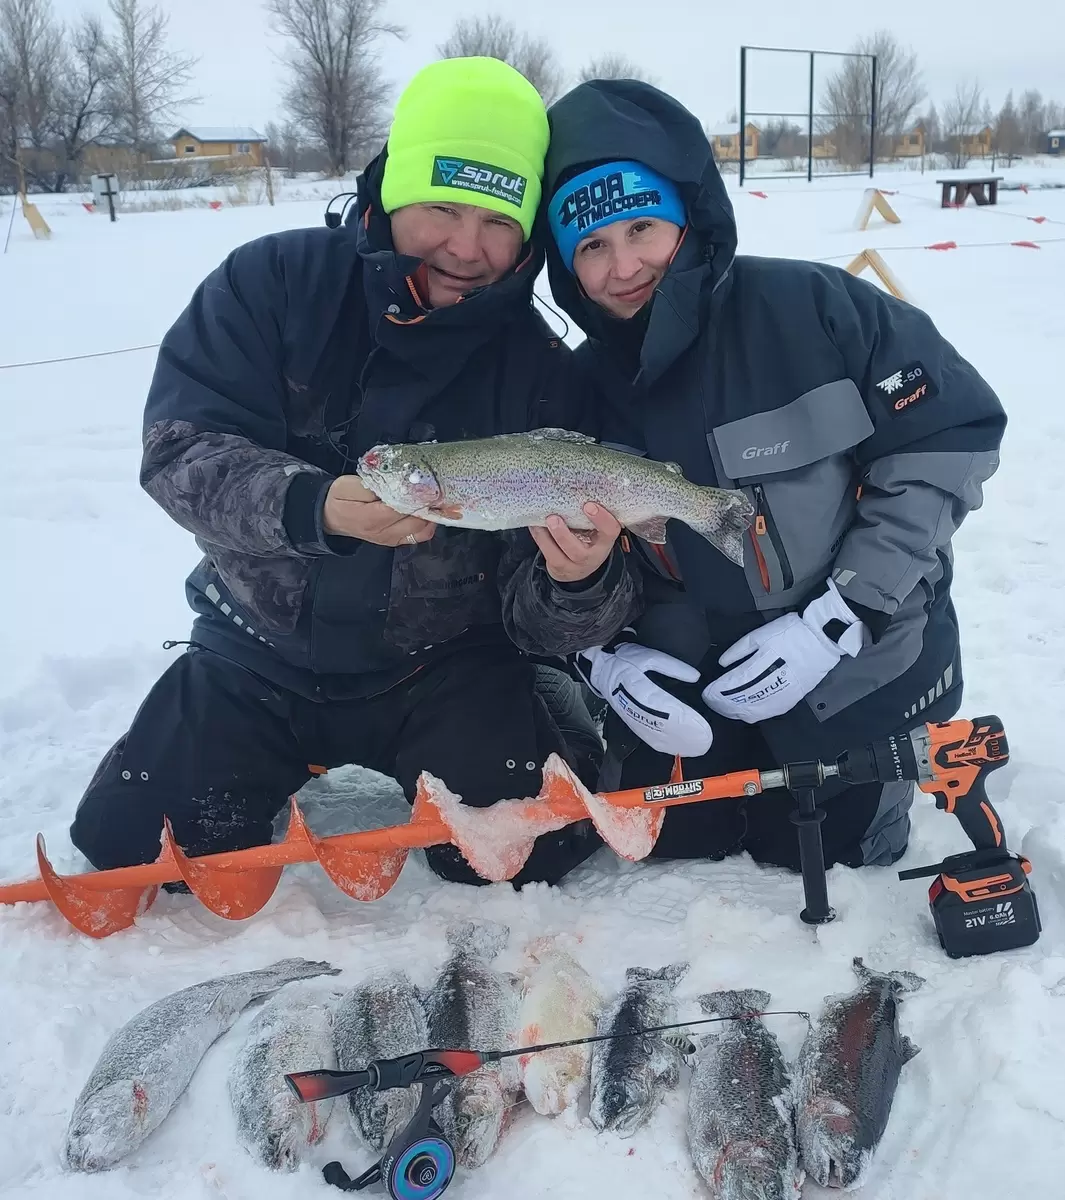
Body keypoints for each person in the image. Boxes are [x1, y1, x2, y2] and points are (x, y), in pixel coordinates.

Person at [70, 57, 604, 888]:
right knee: (137, 855)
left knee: (527, 854)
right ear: (391, 190)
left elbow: (545, 610)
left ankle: (544, 709)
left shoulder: (543, 368)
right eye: (441, 207)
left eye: (498, 220)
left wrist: (577, 584)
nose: (467, 247)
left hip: (447, 662)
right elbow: (179, 452)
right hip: (257, 648)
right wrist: (311, 507)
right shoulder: (270, 283)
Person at [500, 78, 1006, 871]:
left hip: (853, 662)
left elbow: (950, 438)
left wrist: (840, 618)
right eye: (591, 245)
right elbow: (538, 570)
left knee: (820, 855)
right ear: (564, 263)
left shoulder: (816, 309)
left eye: (642, 227)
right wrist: (601, 656)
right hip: (690, 689)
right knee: (675, 848)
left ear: (688, 218)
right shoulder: (571, 391)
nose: (622, 266)